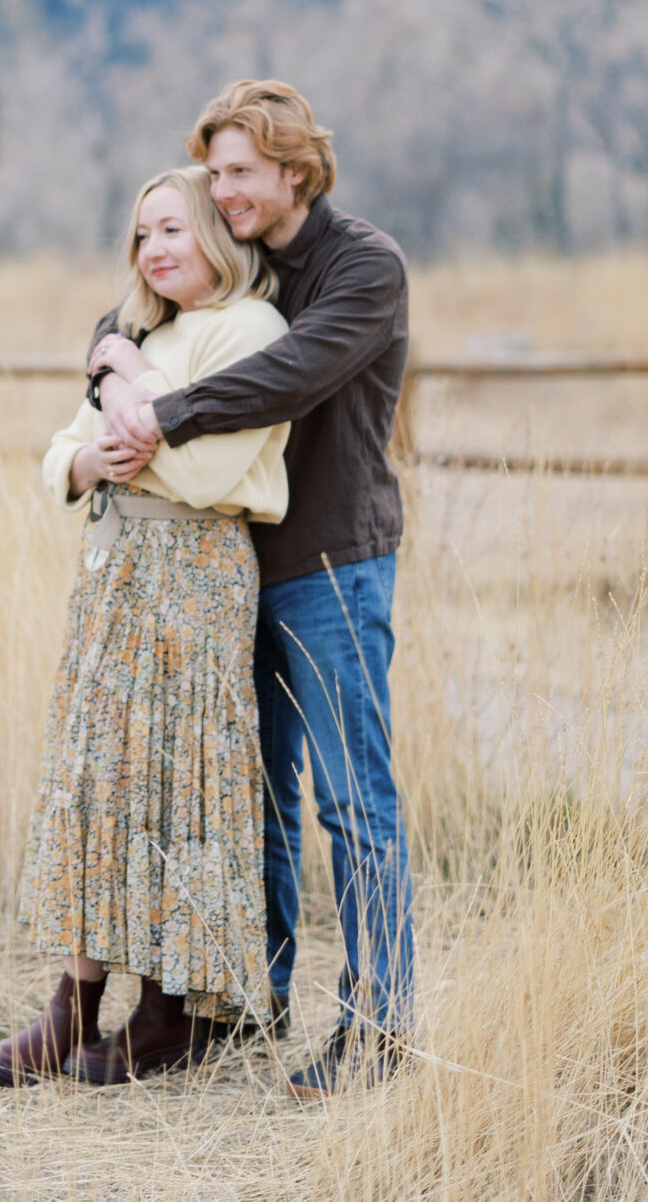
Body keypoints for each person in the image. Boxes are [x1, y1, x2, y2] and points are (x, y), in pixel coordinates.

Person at [90, 81, 413, 1100]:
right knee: (251, 799)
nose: (223, 191)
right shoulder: (243, 260)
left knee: (352, 803)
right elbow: (125, 318)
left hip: (330, 566)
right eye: (215, 171)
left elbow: (296, 374)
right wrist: (111, 372)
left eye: (239, 172)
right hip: (229, 574)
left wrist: (161, 415)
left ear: (293, 172)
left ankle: (375, 1030)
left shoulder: (360, 266)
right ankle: (249, 1005)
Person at [0, 165, 293, 1087]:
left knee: (173, 778)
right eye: (142, 234)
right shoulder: (137, 328)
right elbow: (59, 453)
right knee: (94, 775)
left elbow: (208, 474)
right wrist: (91, 462)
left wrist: (131, 407)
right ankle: (72, 1003)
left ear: (216, 234)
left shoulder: (252, 331)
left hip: (194, 574)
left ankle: (166, 1008)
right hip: (113, 574)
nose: (154, 250)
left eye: (173, 229)